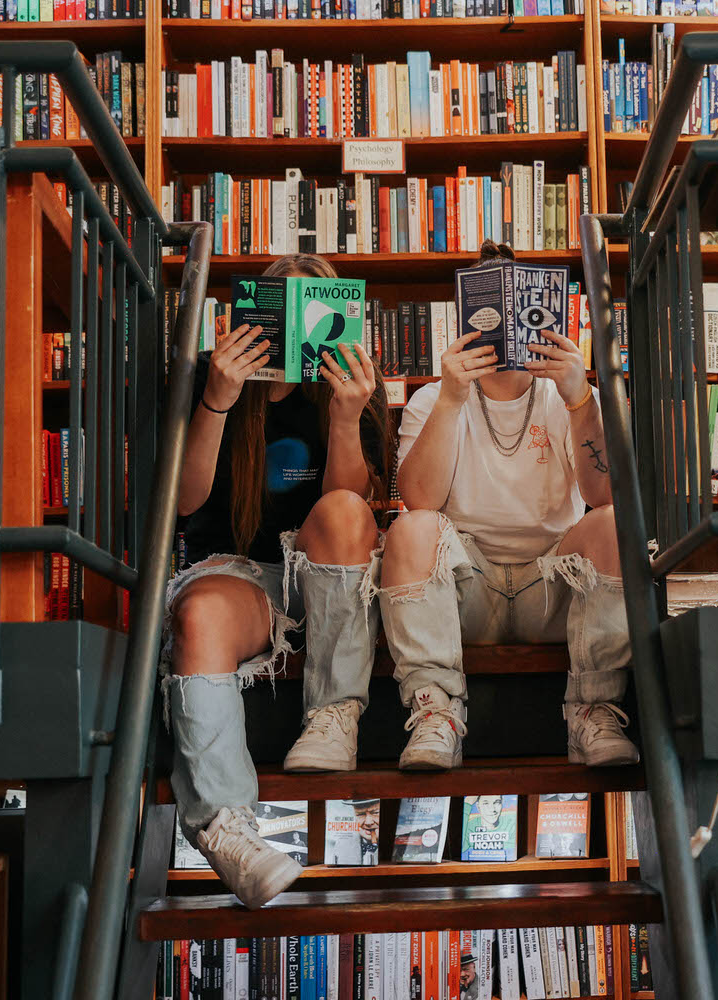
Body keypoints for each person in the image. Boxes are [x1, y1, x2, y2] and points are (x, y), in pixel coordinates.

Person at [161, 253, 389, 908]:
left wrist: (346, 418)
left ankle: (333, 717)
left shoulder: (350, 385)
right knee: (198, 615)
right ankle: (225, 827)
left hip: (328, 574)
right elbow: (182, 502)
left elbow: (352, 519)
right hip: (238, 575)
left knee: (346, 509)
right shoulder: (211, 378)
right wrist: (217, 401)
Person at [378, 240, 638, 770]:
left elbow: (604, 495)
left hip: (552, 583)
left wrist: (580, 399)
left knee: (614, 524)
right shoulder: (433, 398)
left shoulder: (564, 400)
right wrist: (451, 398)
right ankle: (436, 713)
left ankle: (593, 710)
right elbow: (419, 502)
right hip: (466, 585)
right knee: (410, 530)